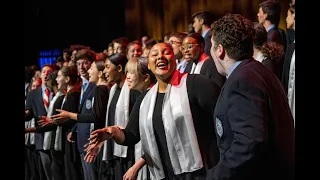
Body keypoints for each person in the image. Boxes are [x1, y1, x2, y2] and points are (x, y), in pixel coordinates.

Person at [86, 43, 221, 180]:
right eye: (155, 54)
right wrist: (112, 132)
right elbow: (131, 135)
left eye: (166, 52)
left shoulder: (195, 84)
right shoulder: (145, 99)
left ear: (174, 59)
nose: (160, 57)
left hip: (202, 173)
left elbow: (223, 120)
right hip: (165, 174)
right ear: (149, 65)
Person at [206, 13, 295, 180]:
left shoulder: (242, 81)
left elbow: (249, 143)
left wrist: (214, 176)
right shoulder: (256, 71)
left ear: (220, 50)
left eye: (211, 46)